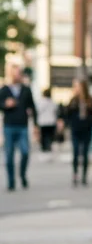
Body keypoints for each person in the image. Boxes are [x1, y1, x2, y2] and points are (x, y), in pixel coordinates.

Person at [58, 78, 92, 186]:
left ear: (82, 87)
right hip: (75, 130)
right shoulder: (73, 100)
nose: (75, 88)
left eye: (77, 86)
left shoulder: (91, 101)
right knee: (76, 152)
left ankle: (84, 176)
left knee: (86, 154)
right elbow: (66, 114)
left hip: (87, 130)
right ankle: (75, 174)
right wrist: (63, 123)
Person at [1, 62, 36, 190]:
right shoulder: (4, 89)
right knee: (9, 155)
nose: (17, 75)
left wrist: (36, 125)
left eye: (19, 73)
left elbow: (32, 106)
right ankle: (11, 181)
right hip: (9, 126)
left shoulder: (26, 89)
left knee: (25, 152)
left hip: (23, 126)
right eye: (15, 73)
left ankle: (22, 174)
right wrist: (6, 104)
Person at [36, 88, 59, 154]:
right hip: (51, 121)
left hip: (43, 122)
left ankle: (44, 147)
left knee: (43, 135)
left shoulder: (41, 102)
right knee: (49, 135)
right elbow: (56, 111)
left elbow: (38, 110)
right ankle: (48, 146)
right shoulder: (53, 102)